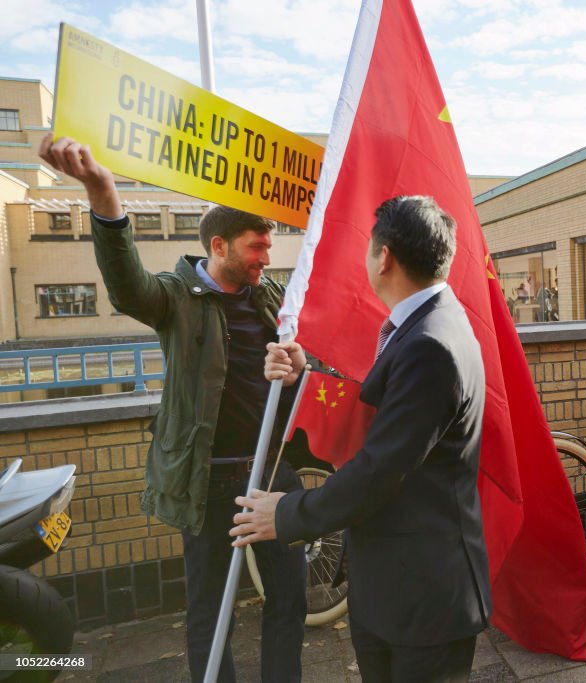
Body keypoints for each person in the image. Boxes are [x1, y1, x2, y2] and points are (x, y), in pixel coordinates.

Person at [38, 134, 306, 682]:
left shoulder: (270, 297)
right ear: (220, 245)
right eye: (256, 247)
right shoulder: (175, 297)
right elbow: (126, 286)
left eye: (268, 248)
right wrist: (103, 195)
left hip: (274, 473)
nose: (266, 258)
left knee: (291, 599)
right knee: (212, 611)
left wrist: (300, 367)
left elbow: (305, 361)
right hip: (206, 481)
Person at [229, 196, 491, 683]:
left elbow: (380, 469)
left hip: (422, 595)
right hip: (395, 583)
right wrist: (306, 377)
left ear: (385, 256)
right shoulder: (427, 322)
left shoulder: (429, 343)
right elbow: (386, 415)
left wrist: (287, 512)